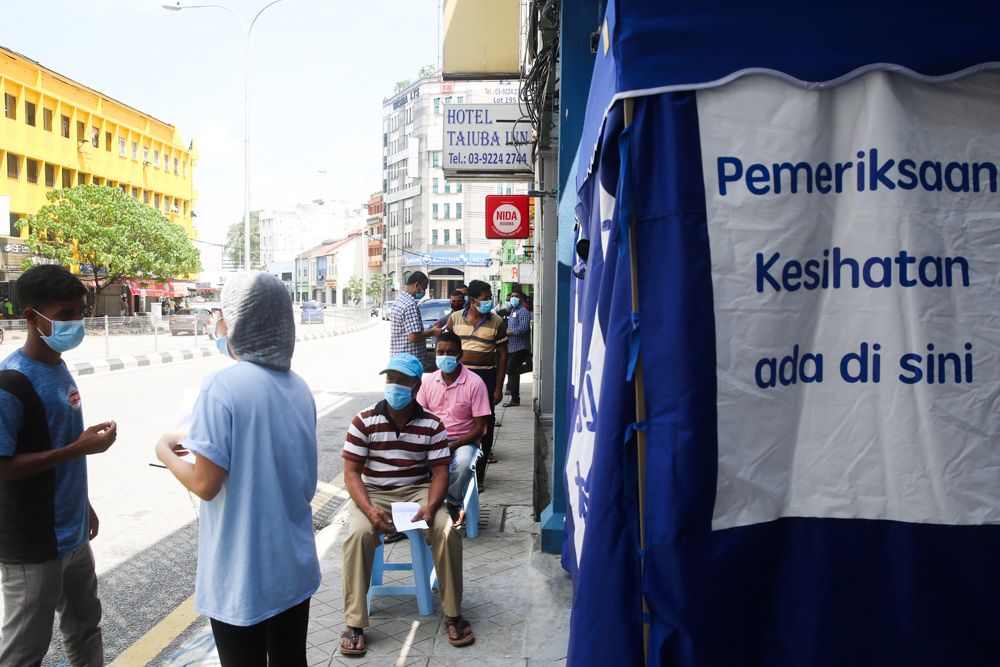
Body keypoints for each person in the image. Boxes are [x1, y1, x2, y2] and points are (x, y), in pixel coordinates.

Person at [155, 272, 320, 667]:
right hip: (293, 566)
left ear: (241, 321)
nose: (218, 324)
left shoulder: (221, 387)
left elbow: (205, 484)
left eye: (222, 314)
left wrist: (165, 450)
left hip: (244, 573)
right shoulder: (298, 387)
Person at [0, 265, 118, 666]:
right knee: (24, 650)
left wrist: (83, 504)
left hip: (73, 535)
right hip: (32, 544)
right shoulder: (10, 383)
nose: (77, 323)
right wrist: (77, 449)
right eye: (66, 314)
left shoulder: (58, 364)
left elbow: (57, 446)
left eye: (81, 313)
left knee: (85, 629)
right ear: (33, 317)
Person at [339, 353, 474, 656]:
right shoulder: (364, 420)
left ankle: (453, 614)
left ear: (415, 386)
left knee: (446, 530)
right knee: (358, 535)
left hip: (417, 491)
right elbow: (351, 473)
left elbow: (440, 473)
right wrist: (370, 510)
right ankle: (354, 623)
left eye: (401, 381)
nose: (394, 386)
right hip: (373, 492)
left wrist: (432, 505)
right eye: (390, 379)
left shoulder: (432, 424)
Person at [416, 331, 490, 528]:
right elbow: (419, 417)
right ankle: (415, 509)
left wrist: (453, 445)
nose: (445, 356)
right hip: (434, 441)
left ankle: (450, 503)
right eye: (441, 352)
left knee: (464, 462)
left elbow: (481, 428)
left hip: (464, 441)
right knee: (407, 461)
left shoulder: (475, 383)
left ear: (460, 355)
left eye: (450, 352)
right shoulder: (428, 381)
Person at [446, 280, 507, 477]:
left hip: (486, 380)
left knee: (485, 426)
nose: (489, 301)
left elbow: (503, 356)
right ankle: (456, 469)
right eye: (485, 298)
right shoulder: (454, 320)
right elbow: (446, 348)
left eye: (490, 298)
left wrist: (499, 387)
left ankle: (479, 474)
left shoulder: (497, 322)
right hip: (459, 381)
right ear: (473, 300)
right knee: (459, 421)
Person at [389, 271, 440, 358]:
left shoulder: (399, 300)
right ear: (417, 285)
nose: (423, 292)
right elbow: (413, 337)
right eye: (423, 289)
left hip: (398, 359)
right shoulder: (410, 305)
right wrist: (432, 332)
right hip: (409, 362)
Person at [503, 290, 533, 407]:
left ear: (521, 299)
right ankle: (514, 398)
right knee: (512, 371)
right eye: (512, 297)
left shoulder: (523, 311)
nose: (513, 299)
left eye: (516, 297)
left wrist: (509, 333)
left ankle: (515, 399)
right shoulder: (513, 311)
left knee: (511, 371)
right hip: (512, 347)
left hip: (520, 347)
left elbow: (524, 328)